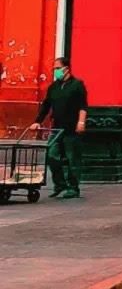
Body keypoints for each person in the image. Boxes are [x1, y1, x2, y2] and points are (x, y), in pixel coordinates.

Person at [31, 56, 88, 199]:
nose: (55, 71)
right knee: (51, 155)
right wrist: (38, 121)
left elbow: (83, 105)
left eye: (57, 68)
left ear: (66, 69)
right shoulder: (53, 87)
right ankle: (60, 183)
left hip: (71, 128)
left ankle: (73, 187)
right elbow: (46, 105)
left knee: (72, 158)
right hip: (56, 128)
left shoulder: (77, 85)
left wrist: (81, 122)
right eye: (54, 69)